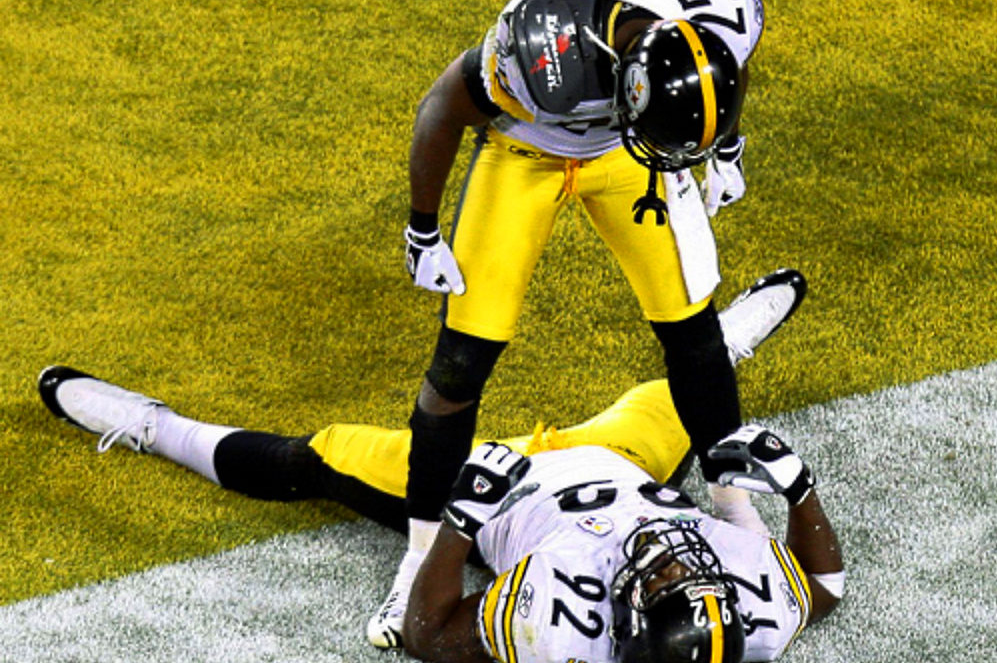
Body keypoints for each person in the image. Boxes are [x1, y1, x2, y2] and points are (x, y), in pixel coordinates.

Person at [38, 270, 840, 660]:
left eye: (662, 580)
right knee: (687, 389)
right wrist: (794, 487)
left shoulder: (557, 633)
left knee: (317, 457)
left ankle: (152, 426)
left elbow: (427, 631)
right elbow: (825, 588)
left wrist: (462, 517)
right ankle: (722, 343)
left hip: (509, 489)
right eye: (690, 574)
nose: (676, 558)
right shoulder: (746, 618)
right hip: (626, 458)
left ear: (629, 616)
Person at [398, 0, 767, 647]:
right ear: (624, 83)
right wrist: (424, 227)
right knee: (462, 360)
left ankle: (734, 506)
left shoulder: (729, 11)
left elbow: (731, 66)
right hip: (528, 147)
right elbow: (443, 104)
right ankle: (419, 551)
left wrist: (723, 143)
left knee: (695, 332)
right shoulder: (542, 52)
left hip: (624, 151)